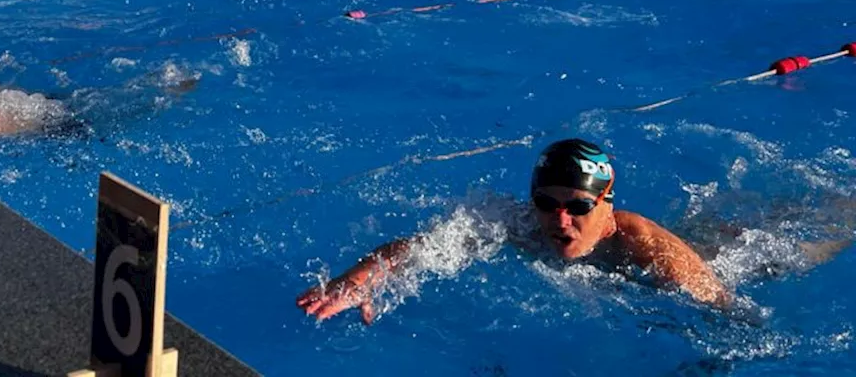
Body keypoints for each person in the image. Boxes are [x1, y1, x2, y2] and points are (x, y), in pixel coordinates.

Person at [296, 139, 734, 324]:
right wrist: (358, 280)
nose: (559, 221)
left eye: (578, 207)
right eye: (546, 203)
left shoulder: (648, 247)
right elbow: (424, 248)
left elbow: (725, 309)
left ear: (606, 204)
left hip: (723, 257)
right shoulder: (518, 223)